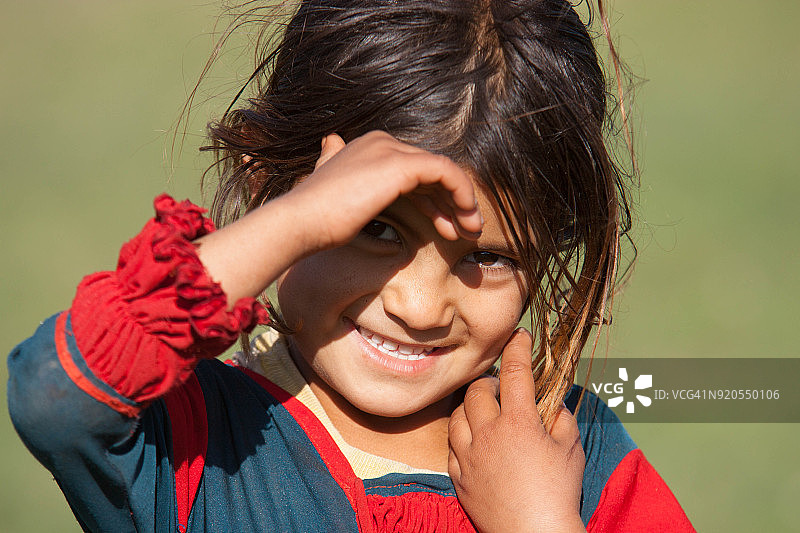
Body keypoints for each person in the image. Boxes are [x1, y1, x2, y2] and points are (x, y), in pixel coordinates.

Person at [8, 0, 694, 531]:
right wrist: (293, 219)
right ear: (262, 180)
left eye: (486, 256)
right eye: (375, 229)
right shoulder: (197, 440)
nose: (421, 306)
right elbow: (52, 398)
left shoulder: (566, 451)